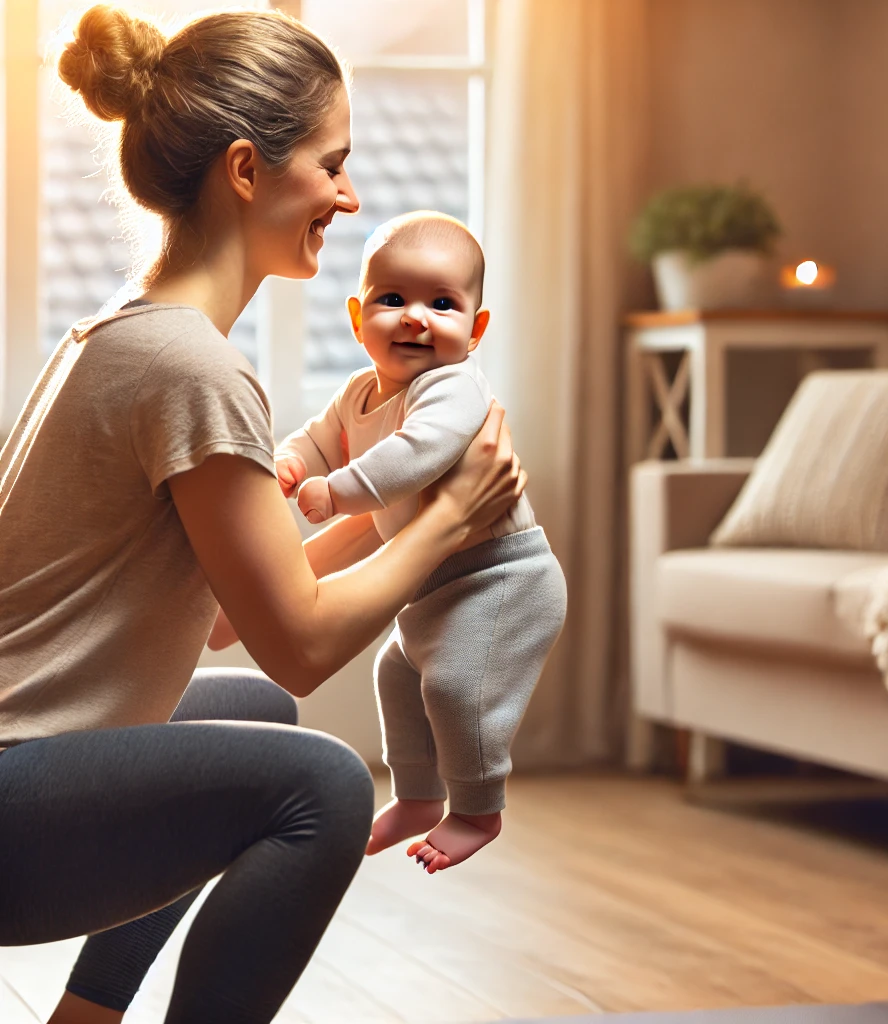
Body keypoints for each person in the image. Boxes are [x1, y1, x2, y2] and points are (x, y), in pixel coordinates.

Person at [0, 7, 525, 1024]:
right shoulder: (193, 367)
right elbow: (302, 644)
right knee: (322, 785)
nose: (350, 196)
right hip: (15, 803)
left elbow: (221, 622)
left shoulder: (119, 334)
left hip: (27, 770)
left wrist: (394, 506)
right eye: (332, 165)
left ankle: (83, 1019)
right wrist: (450, 519)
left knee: (254, 716)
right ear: (246, 169)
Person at [267, 211, 566, 873]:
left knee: (456, 687)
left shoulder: (452, 388)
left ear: (475, 330)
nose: (415, 319)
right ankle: (418, 796)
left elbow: (415, 455)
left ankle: (478, 810)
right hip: (437, 582)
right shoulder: (357, 392)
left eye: (443, 304)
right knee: (397, 674)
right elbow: (319, 438)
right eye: (394, 299)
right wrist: (292, 462)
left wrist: (336, 492)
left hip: (504, 577)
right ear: (358, 317)